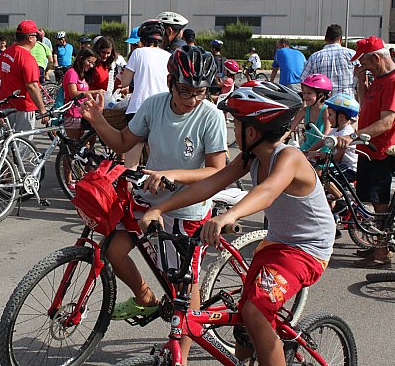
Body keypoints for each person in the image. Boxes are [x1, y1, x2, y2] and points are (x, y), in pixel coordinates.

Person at [141, 81, 334, 366]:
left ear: (252, 131)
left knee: (256, 312)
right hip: (277, 243)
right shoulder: (250, 158)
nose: (233, 129)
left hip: (308, 250)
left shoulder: (289, 157)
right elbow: (209, 185)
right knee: (245, 321)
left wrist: (228, 216)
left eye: (236, 123)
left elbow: (267, 192)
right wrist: (159, 209)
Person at [80, 45, 226, 363]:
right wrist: (96, 120)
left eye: (200, 92)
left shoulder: (210, 116)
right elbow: (122, 142)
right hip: (147, 200)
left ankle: (182, 358)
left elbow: (217, 169)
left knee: (185, 289)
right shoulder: (154, 104)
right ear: (170, 81)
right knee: (112, 252)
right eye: (185, 90)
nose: (192, 99)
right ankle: (146, 298)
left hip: (186, 209)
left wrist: (170, 174)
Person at [338, 36, 395, 268]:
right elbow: (367, 103)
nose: (363, 66)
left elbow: (387, 122)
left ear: (377, 58)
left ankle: (381, 253)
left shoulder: (394, 81)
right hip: (370, 148)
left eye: (365, 62)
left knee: (381, 203)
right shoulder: (380, 79)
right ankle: (378, 247)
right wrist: (362, 82)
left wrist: (353, 136)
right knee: (374, 200)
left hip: (381, 149)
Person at [119, 20, 172, 170]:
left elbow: (125, 82)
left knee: (132, 158)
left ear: (142, 38)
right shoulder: (168, 56)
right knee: (157, 157)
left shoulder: (137, 53)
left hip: (138, 109)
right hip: (162, 110)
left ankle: (129, 191)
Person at [0, 20, 48, 132]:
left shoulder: (7, 52)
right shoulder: (27, 59)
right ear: (30, 38)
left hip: (6, 104)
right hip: (23, 106)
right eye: (36, 36)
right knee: (22, 145)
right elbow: (32, 86)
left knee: (9, 143)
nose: (36, 39)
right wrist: (43, 110)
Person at [62, 48, 103, 190]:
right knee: (71, 149)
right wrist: (93, 92)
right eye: (89, 62)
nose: (91, 66)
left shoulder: (82, 75)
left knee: (82, 148)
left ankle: (78, 176)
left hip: (82, 115)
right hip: (72, 115)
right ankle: (68, 179)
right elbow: (73, 93)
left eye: (93, 63)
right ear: (81, 59)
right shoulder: (71, 73)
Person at [299, 24, 356, 96]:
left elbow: (304, 81)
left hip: (324, 102)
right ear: (341, 39)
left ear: (325, 38)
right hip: (347, 102)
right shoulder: (352, 54)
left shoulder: (315, 57)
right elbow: (362, 79)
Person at [290, 74, 332, 152]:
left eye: (309, 93)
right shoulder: (304, 111)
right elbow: (290, 129)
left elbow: (326, 136)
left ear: (321, 95)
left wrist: (308, 152)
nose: (304, 97)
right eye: (304, 93)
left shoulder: (326, 110)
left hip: (321, 151)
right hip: (307, 149)